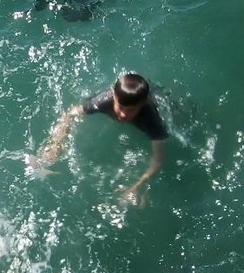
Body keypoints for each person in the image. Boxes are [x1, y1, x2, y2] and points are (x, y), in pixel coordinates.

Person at [37, 73, 168, 207]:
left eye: (131, 110)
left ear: (142, 104)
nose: (123, 115)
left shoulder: (151, 119)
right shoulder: (104, 100)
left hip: (156, 97)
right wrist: (56, 144)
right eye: (121, 107)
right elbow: (70, 114)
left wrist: (138, 186)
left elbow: (158, 159)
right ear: (114, 96)